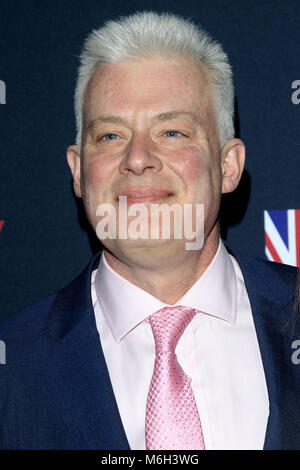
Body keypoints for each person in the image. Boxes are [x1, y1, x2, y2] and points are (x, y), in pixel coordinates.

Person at [0, 11, 299, 451]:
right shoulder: (13, 362)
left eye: (172, 131)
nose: (138, 158)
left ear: (228, 165)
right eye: (110, 136)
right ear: (79, 173)